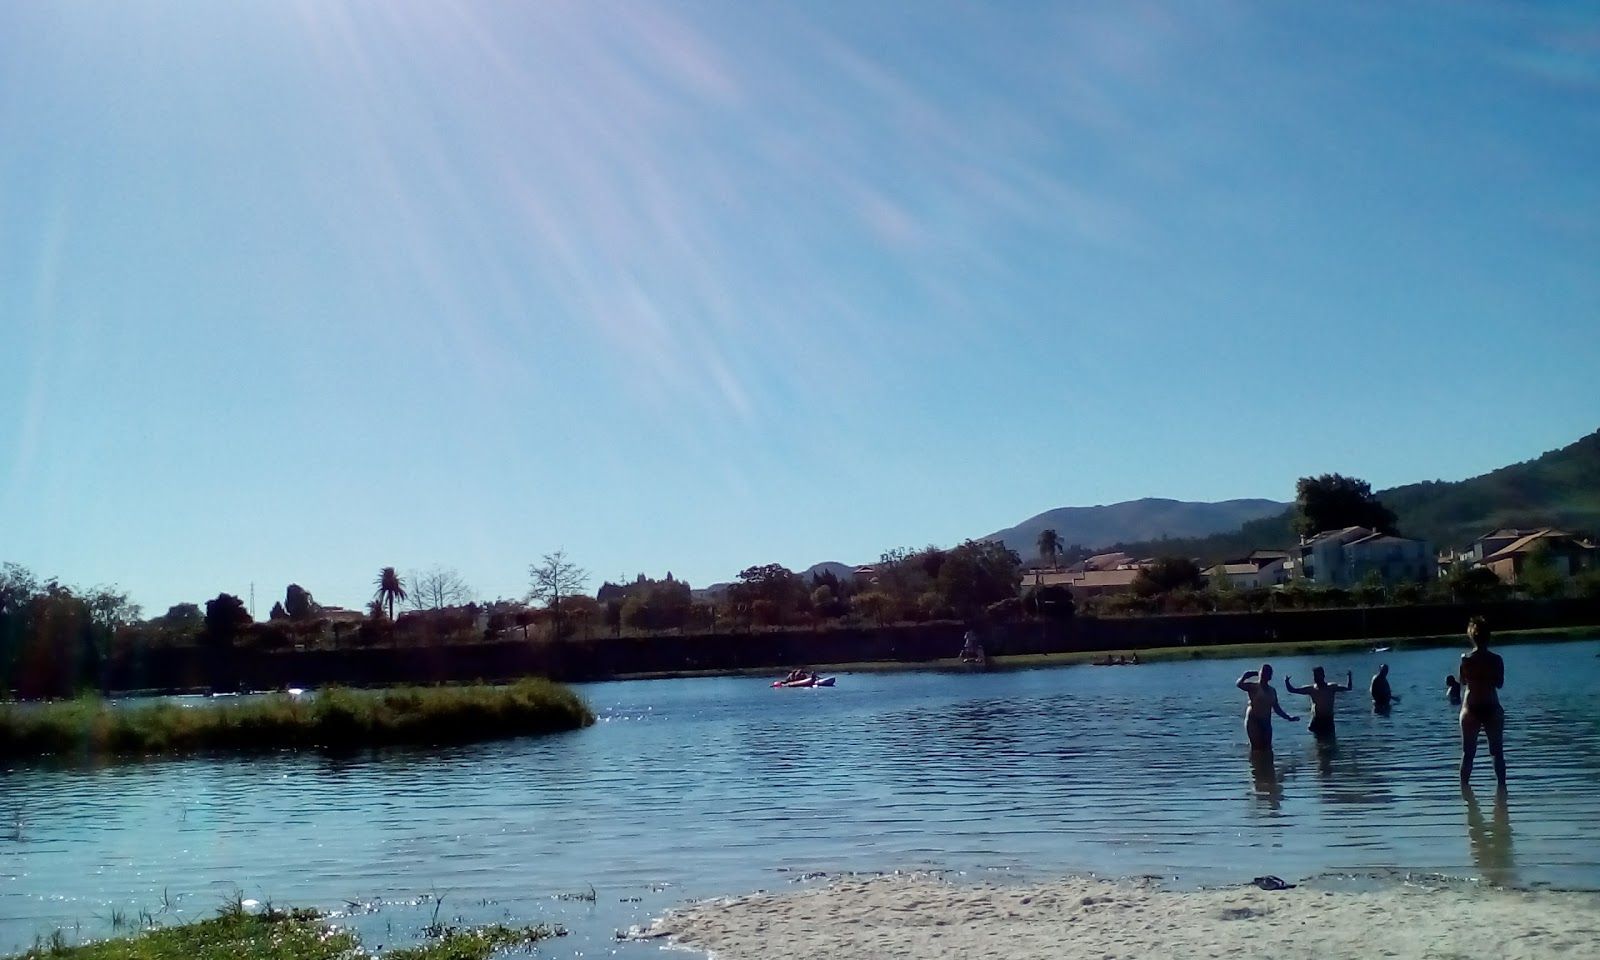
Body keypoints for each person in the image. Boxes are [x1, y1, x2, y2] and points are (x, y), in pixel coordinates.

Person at [1459, 617, 1507, 787]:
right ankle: (1502, 792)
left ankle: (1465, 794)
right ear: (1489, 636)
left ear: (1471, 637)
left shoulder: (1465, 659)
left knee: (1468, 754)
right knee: (1497, 753)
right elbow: (1499, 684)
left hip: (1470, 707)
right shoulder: (1496, 659)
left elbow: (1463, 682)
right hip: (1491, 705)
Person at [1236, 664, 1298, 752]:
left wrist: (1288, 717)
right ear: (1259, 673)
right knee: (1256, 748)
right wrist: (1245, 676)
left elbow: (1276, 708)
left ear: (1270, 676)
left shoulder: (1272, 691)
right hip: (1253, 721)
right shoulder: (1253, 687)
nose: (1265, 674)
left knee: (1268, 748)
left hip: (1266, 721)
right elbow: (1239, 684)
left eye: (1268, 672)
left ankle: (1264, 765)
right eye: (1263, 672)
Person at [1285, 667, 1353, 741]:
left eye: (1318, 675)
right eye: (1315, 676)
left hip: (1328, 719)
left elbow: (1348, 688)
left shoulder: (1331, 687)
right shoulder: (1311, 689)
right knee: (1318, 742)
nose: (1316, 678)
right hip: (1316, 720)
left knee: (1330, 742)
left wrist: (1349, 677)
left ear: (1323, 676)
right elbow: (1292, 690)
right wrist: (1287, 682)